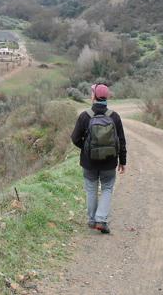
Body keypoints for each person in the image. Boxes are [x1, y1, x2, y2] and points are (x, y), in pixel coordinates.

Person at [70, 83, 127, 234]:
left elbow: (75, 138)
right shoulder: (114, 117)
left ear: (94, 97)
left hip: (89, 162)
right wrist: (123, 161)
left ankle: (92, 220)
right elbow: (121, 141)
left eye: (91, 93)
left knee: (91, 189)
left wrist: (86, 147)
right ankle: (101, 219)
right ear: (106, 97)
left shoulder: (85, 116)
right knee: (107, 188)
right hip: (109, 162)